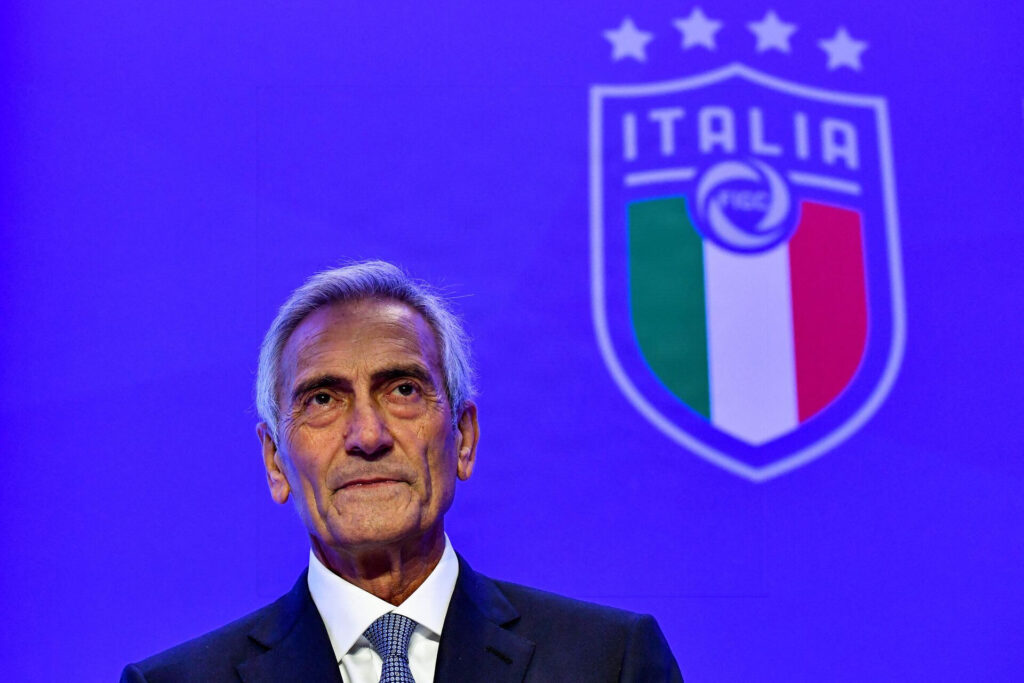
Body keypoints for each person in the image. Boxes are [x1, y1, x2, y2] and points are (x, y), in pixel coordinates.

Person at [121, 260, 683, 682]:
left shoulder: (611, 663)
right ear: (275, 463)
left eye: (403, 390)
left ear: (463, 438)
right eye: (322, 399)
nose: (367, 436)